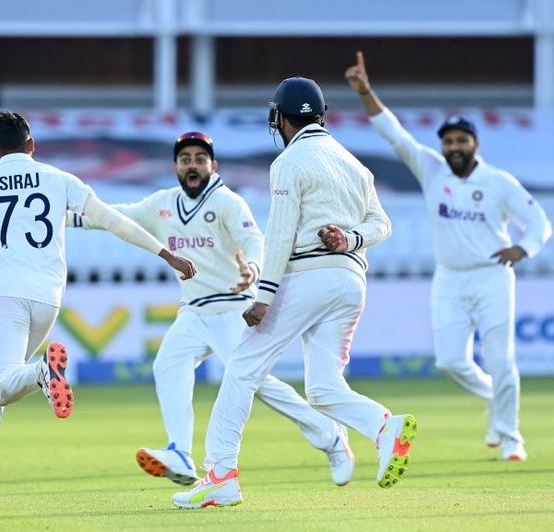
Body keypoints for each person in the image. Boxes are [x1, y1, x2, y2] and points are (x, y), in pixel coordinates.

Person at [0, 111, 196, 506]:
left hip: (4, 295)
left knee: (3, 384)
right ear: (32, 145)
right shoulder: (60, 180)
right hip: (48, 299)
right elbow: (114, 221)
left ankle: (41, 373)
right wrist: (166, 254)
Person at [173, 77, 417, 509]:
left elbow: (281, 233)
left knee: (242, 368)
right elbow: (383, 224)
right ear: (320, 116)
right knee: (323, 387)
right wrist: (350, 238)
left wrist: (263, 296)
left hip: (308, 275)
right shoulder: (354, 164)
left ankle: (220, 476)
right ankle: (384, 427)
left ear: (281, 118)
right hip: (350, 281)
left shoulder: (288, 162)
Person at [67, 131, 354, 487]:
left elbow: (254, 241)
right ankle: (181, 455)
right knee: (168, 364)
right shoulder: (163, 203)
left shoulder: (228, 202)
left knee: (260, 385)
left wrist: (253, 267)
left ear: (213, 165)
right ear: (175, 166)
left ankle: (330, 436)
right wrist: (63, 219)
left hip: (233, 309)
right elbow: (117, 218)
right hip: (193, 311)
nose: (192, 165)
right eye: (185, 158)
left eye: (200, 159)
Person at [345, 51, 552, 461]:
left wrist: (522, 248)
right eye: (448, 141)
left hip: (492, 276)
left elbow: (541, 223)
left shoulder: (499, 182)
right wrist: (366, 92)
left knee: (502, 359)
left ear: (475, 143)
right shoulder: (432, 169)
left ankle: (510, 437)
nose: (454, 147)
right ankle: (497, 399)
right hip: (450, 278)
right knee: (450, 361)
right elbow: (396, 135)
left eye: (461, 140)